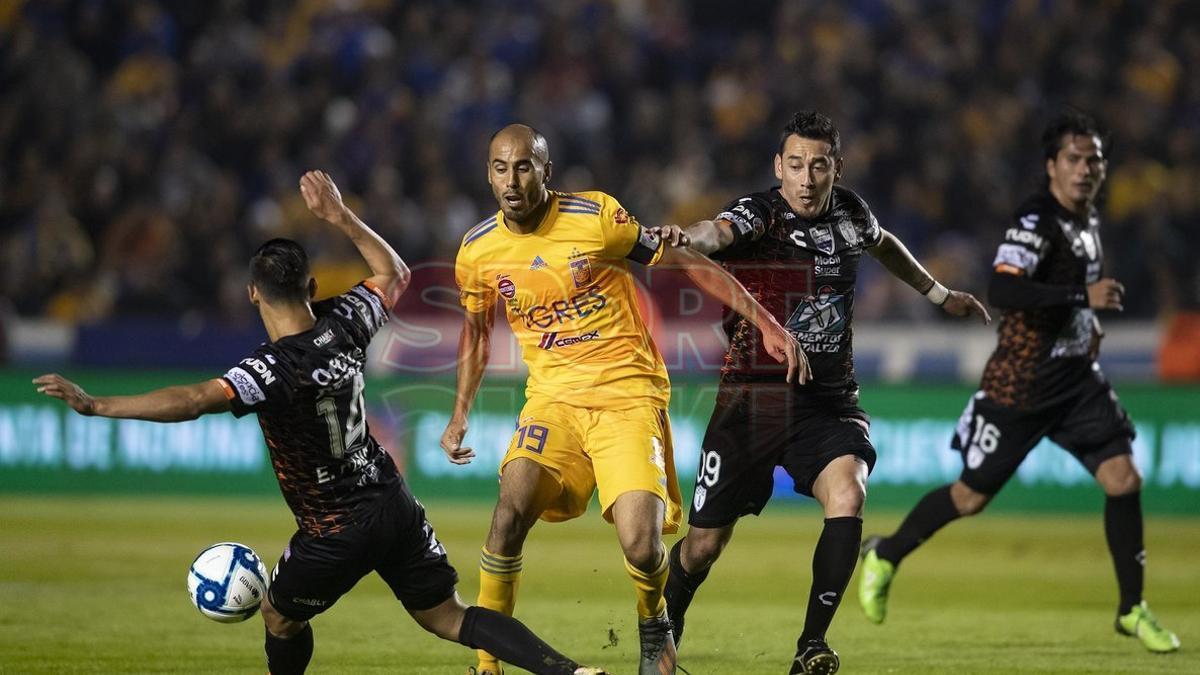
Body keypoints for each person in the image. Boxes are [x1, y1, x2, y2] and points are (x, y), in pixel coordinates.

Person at [34, 171, 608, 675]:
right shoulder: (346, 320)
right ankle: (569, 670)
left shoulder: (270, 368)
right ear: (311, 287)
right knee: (449, 616)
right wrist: (340, 216)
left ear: (252, 293)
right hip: (391, 500)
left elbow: (190, 399)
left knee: (279, 617)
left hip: (335, 528)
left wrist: (98, 405)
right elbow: (394, 273)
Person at [441, 124, 806, 675]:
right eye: (500, 168)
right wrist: (459, 412)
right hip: (553, 402)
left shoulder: (598, 220)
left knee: (640, 545)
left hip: (627, 396)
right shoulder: (477, 250)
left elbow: (683, 259)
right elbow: (476, 332)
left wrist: (765, 321)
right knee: (507, 515)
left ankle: (653, 618)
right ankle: (486, 664)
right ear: (488, 173)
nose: (511, 181)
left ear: (546, 171)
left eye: (523, 167)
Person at [653, 111, 990, 675]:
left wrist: (938, 292)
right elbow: (713, 234)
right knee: (704, 545)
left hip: (827, 399)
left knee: (849, 493)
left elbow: (884, 246)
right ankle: (661, 635)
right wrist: (685, 236)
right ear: (777, 167)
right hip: (751, 400)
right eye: (795, 165)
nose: (806, 178)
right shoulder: (761, 214)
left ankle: (811, 645)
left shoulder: (853, 212)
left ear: (836, 167)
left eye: (818, 165)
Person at [857, 111, 1180, 654]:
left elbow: (1061, 294)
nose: (1084, 169)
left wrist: (1085, 323)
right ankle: (885, 554)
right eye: (1074, 159)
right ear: (1051, 166)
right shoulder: (1035, 222)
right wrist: (1083, 299)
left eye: (1093, 160)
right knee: (969, 496)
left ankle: (1131, 609)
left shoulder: (1087, 222)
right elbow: (1004, 289)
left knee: (1124, 478)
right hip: (1021, 386)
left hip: (1077, 382)